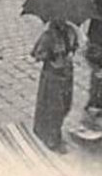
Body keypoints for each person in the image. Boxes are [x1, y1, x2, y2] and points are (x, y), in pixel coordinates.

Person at [31, 18, 78, 152]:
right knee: (54, 107)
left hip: (67, 74)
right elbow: (36, 54)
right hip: (53, 76)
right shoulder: (48, 36)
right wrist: (50, 55)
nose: (62, 22)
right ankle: (53, 138)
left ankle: (54, 131)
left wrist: (70, 52)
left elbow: (75, 46)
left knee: (66, 104)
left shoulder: (71, 32)